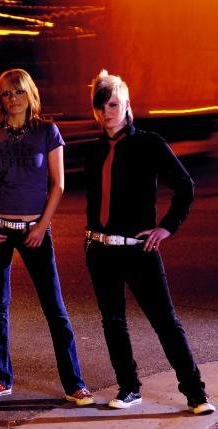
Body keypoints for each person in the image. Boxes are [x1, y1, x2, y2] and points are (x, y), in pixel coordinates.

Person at [84, 69, 215, 414]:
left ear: (127, 105)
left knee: (165, 322)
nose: (107, 111)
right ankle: (129, 388)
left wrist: (166, 228)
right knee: (113, 322)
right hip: (100, 251)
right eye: (101, 106)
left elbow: (185, 187)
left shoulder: (149, 144)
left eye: (113, 104)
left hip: (139, 250)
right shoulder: (94, 150)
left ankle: (196, 394)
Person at [0, 69, 94, 405]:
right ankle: (0, 379)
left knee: (54, 306)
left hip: (34, 230)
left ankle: (75, 383)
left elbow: (58, 184)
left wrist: (41, 226)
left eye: (19, 92)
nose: (13, 99)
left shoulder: (47, 132)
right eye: (6, 94)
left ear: (30, 95)